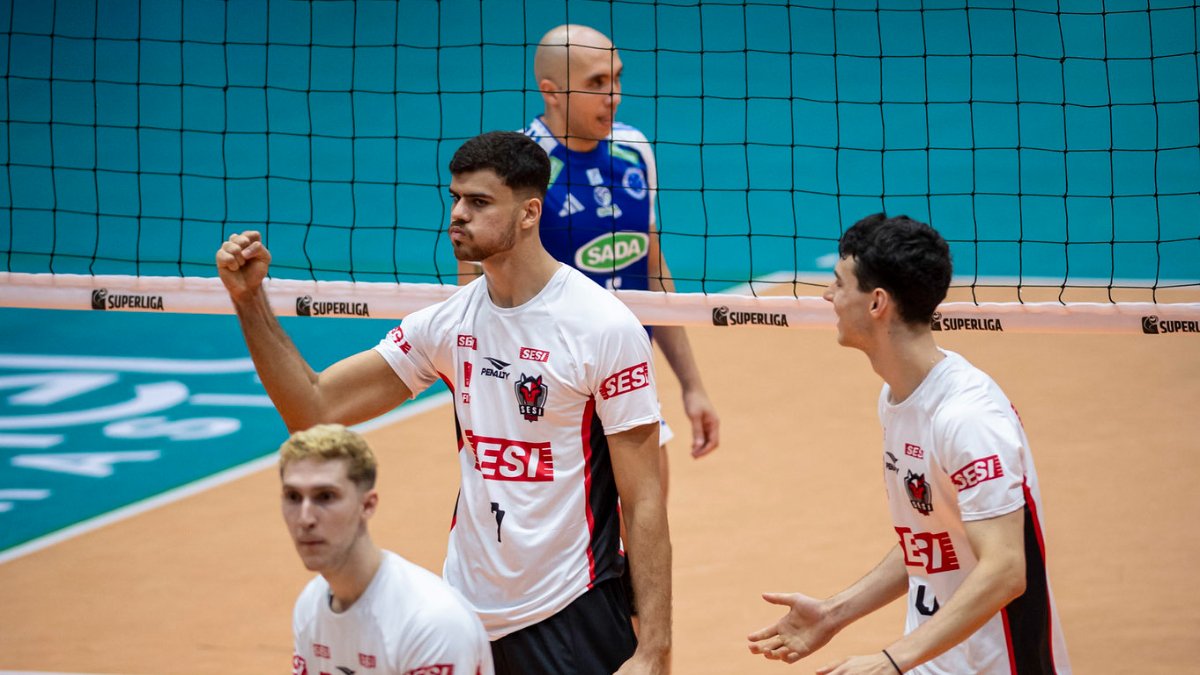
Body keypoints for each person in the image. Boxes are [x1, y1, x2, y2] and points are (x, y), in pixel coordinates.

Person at [218, 131, 671, 675]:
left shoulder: (603, 328)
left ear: (529, 213)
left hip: (570, 609)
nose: (457, 214)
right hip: (464, 613)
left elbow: (643, 497)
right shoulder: (448, 324)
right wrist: (250, 304)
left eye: (478, 202)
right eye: (455, 198)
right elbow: (313, 409)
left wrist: (654, 648)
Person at [747, 214, 1071, 674]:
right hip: (936, 658)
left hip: (996, 664)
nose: (827, 297)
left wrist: (889, 661)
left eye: (839, 284)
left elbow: (1005, 570)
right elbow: (935, 534)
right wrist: (835, 613)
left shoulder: (968, 419)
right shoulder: (898, 395)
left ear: (877, 302)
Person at [459, 24, 720, 497]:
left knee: (646, 534)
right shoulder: (513, 169)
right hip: (545, 392)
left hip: (626, 377)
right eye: (598, 83)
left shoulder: (634, 150)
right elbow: (470, 298)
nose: (614, 96)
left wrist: (692, 385)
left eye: (617, 79)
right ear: (552, 92)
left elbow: (652, 273)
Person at [281, 424, 493, 675]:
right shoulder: (310, 606)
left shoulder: (431, 622)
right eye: (293, 497)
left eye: (325, 496)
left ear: (367, 505)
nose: (305, 518)